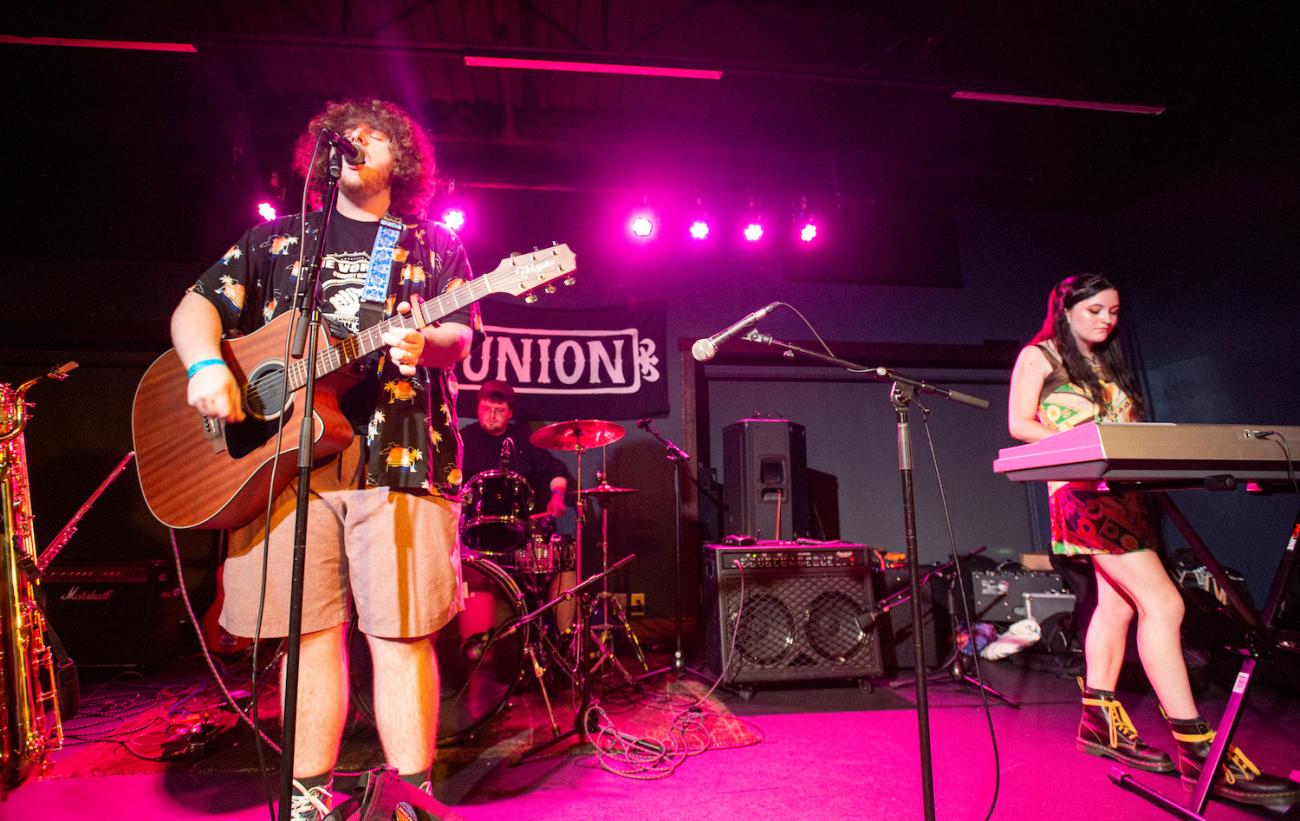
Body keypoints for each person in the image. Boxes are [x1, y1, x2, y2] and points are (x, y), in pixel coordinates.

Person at [170, 98, 479, 820]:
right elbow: (196, 306)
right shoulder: (276, 243)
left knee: (399, 635)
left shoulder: (430, 245)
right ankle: (308, 799)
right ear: (319, 154)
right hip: (284, 465)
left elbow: (461, 335)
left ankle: (410, 799)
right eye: (343, 136)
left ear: (401, 157)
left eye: (374, 135)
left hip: (396, 457)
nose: (355, 143)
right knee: (306, 637)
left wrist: (423, 344)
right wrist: (204, 369)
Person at [1007, 273, 1297, 806]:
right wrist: (1087, 444)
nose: (1106, 320)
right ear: (1066, 309)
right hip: (1083, 495)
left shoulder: (1105, 362)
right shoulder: (1040, 356)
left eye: (1114, 312)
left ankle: (1099, 726)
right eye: (1095, 310)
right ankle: (1197, 749)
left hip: (1126, 495)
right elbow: (1020, 424)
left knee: (1117, 609)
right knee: (1163, 604)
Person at [460, 380, 572, 526]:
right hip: (473, 525)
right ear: (478, 410)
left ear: (510, 413)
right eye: (486, 408)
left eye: (499, 410)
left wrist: (557, 497)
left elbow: (555, 471)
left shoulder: (523, 439)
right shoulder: (463, 439)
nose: (492, 415)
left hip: (518, 527)